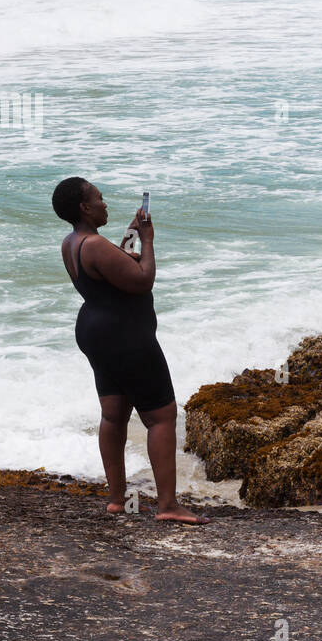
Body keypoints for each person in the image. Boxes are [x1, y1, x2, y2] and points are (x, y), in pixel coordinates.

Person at [52, 178, 208, 525]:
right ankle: (168, 505)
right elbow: (140, 278)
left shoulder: (73, 242)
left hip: (96, 331)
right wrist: (149, 240)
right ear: (85, 208)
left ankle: (116, 499)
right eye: (100, 199)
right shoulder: (93, 244)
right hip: (125, 335)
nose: (105, 203)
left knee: (113, 412)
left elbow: (116, 262)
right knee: (161, 415)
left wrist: (131, 234)